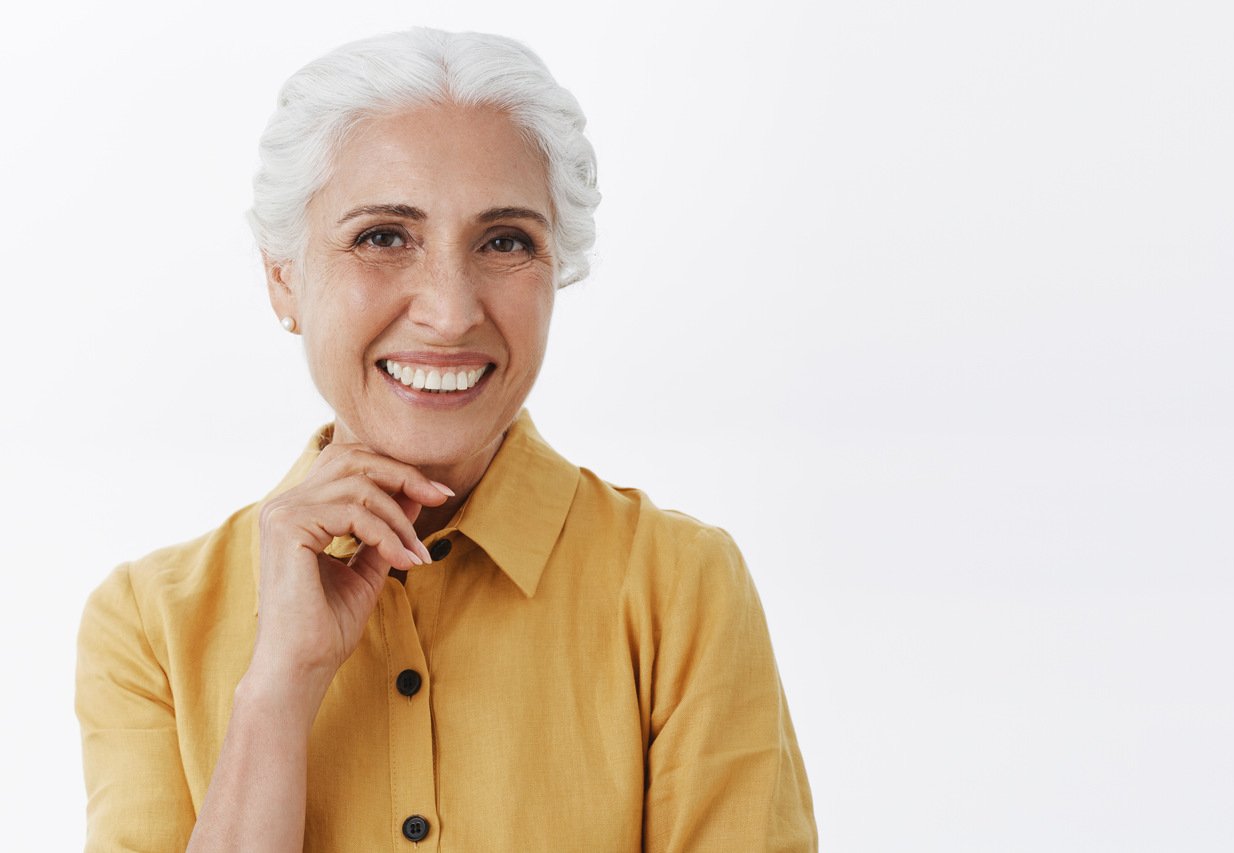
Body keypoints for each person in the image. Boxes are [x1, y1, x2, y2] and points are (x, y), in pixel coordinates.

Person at [75, 27, 817, 852]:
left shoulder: (682, 588)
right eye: (384, 236)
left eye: (505, 241)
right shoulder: (148, 623)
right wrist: (277, 690)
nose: (450, 310)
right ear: (283, 275)